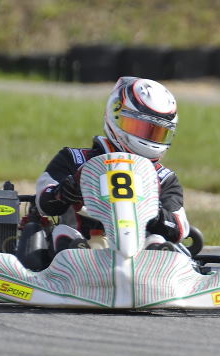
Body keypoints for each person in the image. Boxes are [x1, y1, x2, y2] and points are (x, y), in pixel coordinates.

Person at [34, 77, 188, 253]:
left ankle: (155, 263)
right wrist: (63, 192)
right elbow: (43, 202)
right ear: (115, 116)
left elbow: (179, 228)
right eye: (140, 128)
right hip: (82, 254)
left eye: (157, 133)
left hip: (140, 259)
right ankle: (78, 255)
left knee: (157, 240)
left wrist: (154, 213)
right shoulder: (73, 159)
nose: (148, 139)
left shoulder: (164, 179)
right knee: (63, 233)